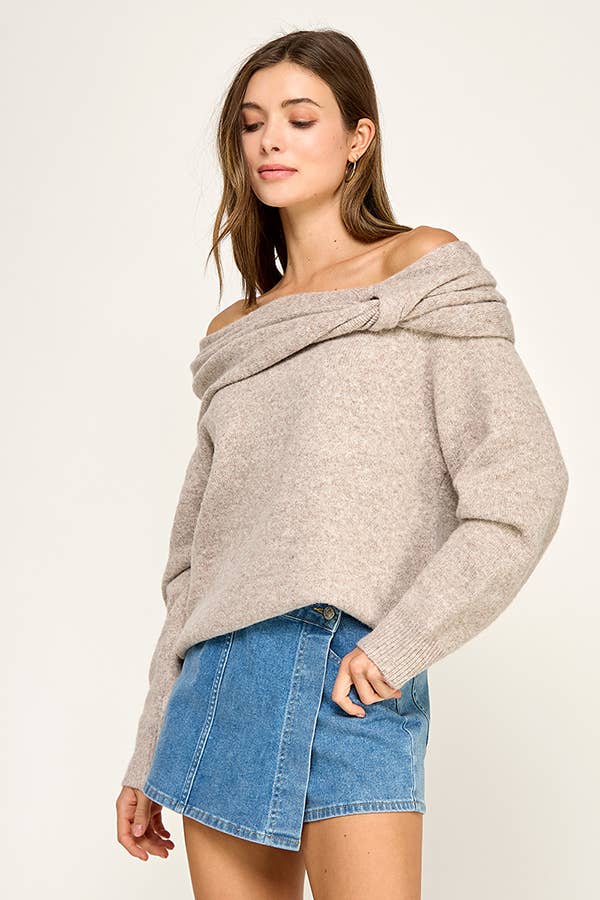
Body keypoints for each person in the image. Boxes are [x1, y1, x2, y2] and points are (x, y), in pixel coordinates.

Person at [116, 29, 569, 900]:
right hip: (218, 686)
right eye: (253, 123)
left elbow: (523, 489)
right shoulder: (236, 335)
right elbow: (192, 569)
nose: (270, 141)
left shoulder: (421, 277)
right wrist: (148, 747)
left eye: (299, 118)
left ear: (358, 137)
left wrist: (401, 644)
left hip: (349, 678)